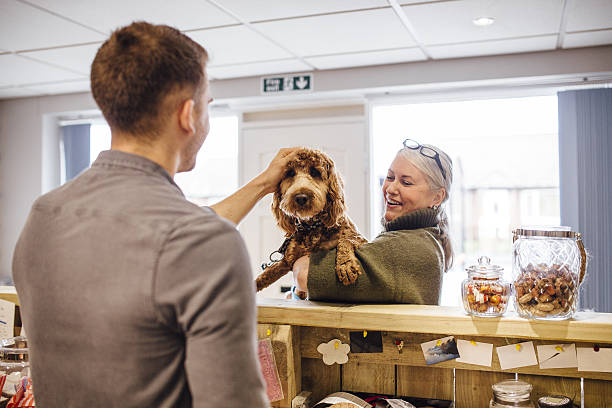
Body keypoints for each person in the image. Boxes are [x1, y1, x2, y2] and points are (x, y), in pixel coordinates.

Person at [12, 22, 298, 407]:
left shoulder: (43, 216)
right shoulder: (202, 242)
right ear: (187, 115)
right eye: (207, 106)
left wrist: (264, 184)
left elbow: (169, 236)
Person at [291, 139, 453, 304]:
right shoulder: (425, 237)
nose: (390, 189)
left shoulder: (407, 247)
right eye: (390, 177)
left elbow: (304, 275)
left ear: (437, 197)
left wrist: (298, 261)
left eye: (406, 182)